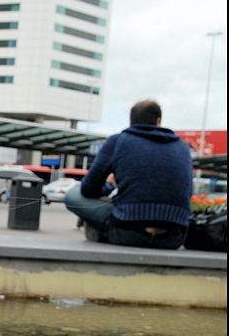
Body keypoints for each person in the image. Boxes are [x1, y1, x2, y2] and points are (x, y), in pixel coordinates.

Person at [64, 100, 192, 249]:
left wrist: (110, 185)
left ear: (131, 121)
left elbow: (88, 189)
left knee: (72, 195)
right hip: (172, 238)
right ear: (158, 121)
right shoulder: (183, 148)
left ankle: (104, 232)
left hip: (128, 233)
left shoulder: (118, 141)